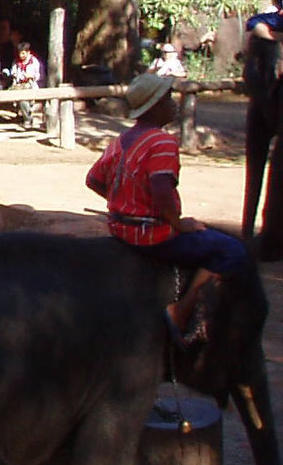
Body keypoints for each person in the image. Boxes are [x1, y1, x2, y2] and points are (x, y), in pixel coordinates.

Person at [86, 72, 251, 346]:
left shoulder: (121, 140)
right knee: (232, 250)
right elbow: (162, 191)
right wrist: (178, 224)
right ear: (153, 107)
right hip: (152, 235)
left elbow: (93, 179)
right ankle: (181, 310)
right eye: (167, 98)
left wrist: (124, 202)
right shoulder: (162, 142)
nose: (173, 103)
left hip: (120, 227)